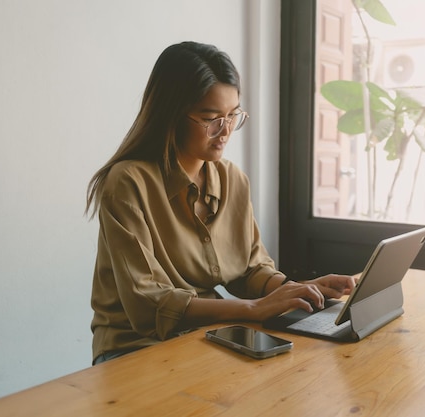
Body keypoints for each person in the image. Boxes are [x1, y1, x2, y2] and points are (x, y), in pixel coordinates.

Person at [85, 41, 355, 365]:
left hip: (205, 338)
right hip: (133, 350)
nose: (225, 131)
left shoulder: (232, 180)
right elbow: (148, 304)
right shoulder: (128, 183)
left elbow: (250, 269)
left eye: (233, 115)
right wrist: (253, 309)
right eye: (211, 118)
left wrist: (296, 290)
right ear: (171, 114)